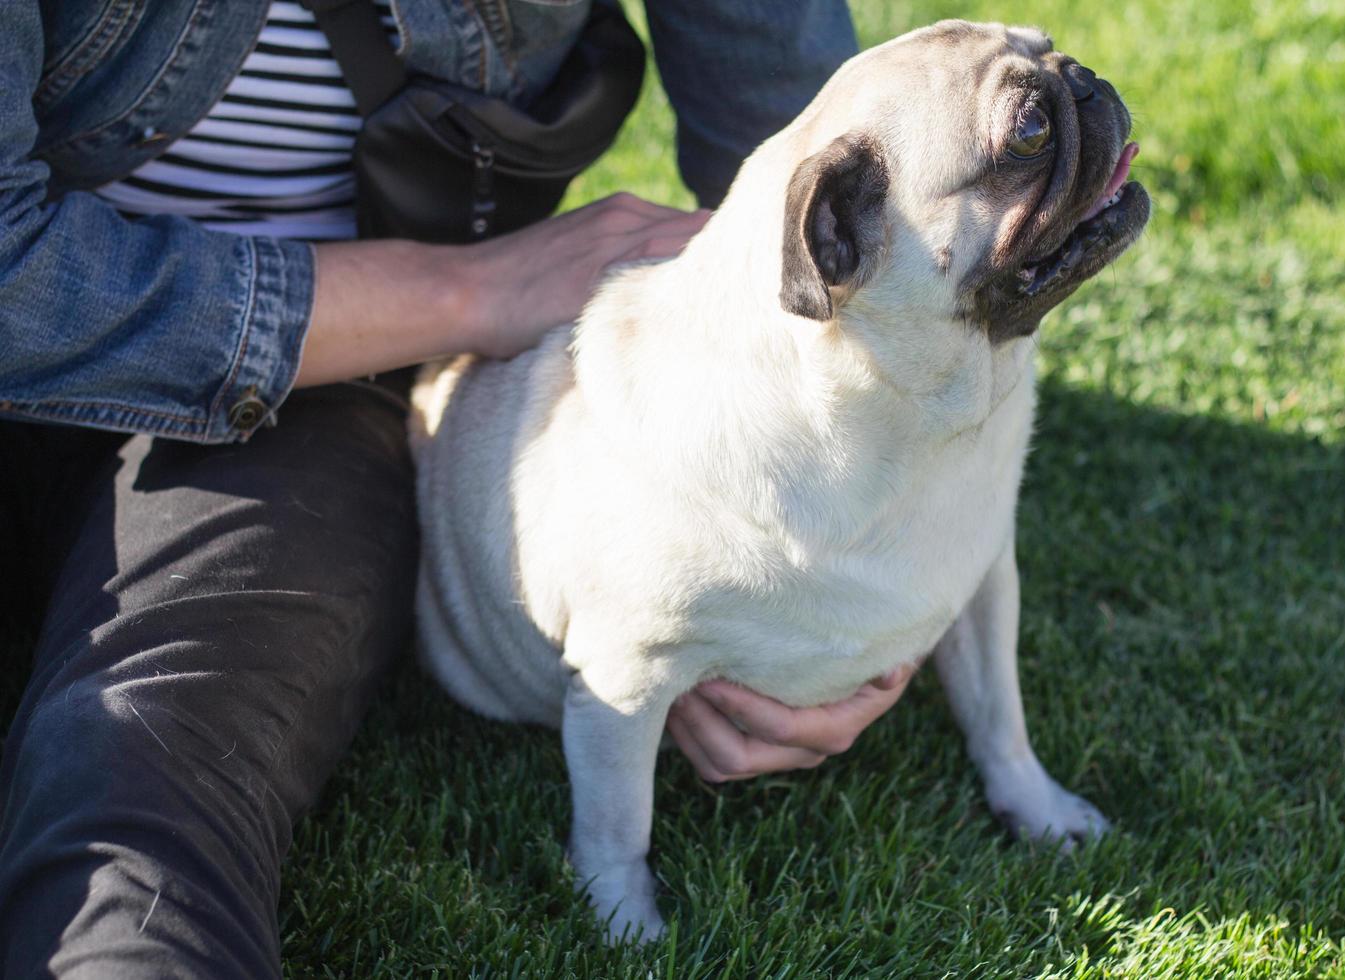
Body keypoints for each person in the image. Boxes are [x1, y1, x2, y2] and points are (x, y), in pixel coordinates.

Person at [0, 1, 914, 974]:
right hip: (358, 313)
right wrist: (472, 291)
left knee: (148, 763)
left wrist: (853, 616)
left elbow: (811, 174)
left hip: (326, 384)